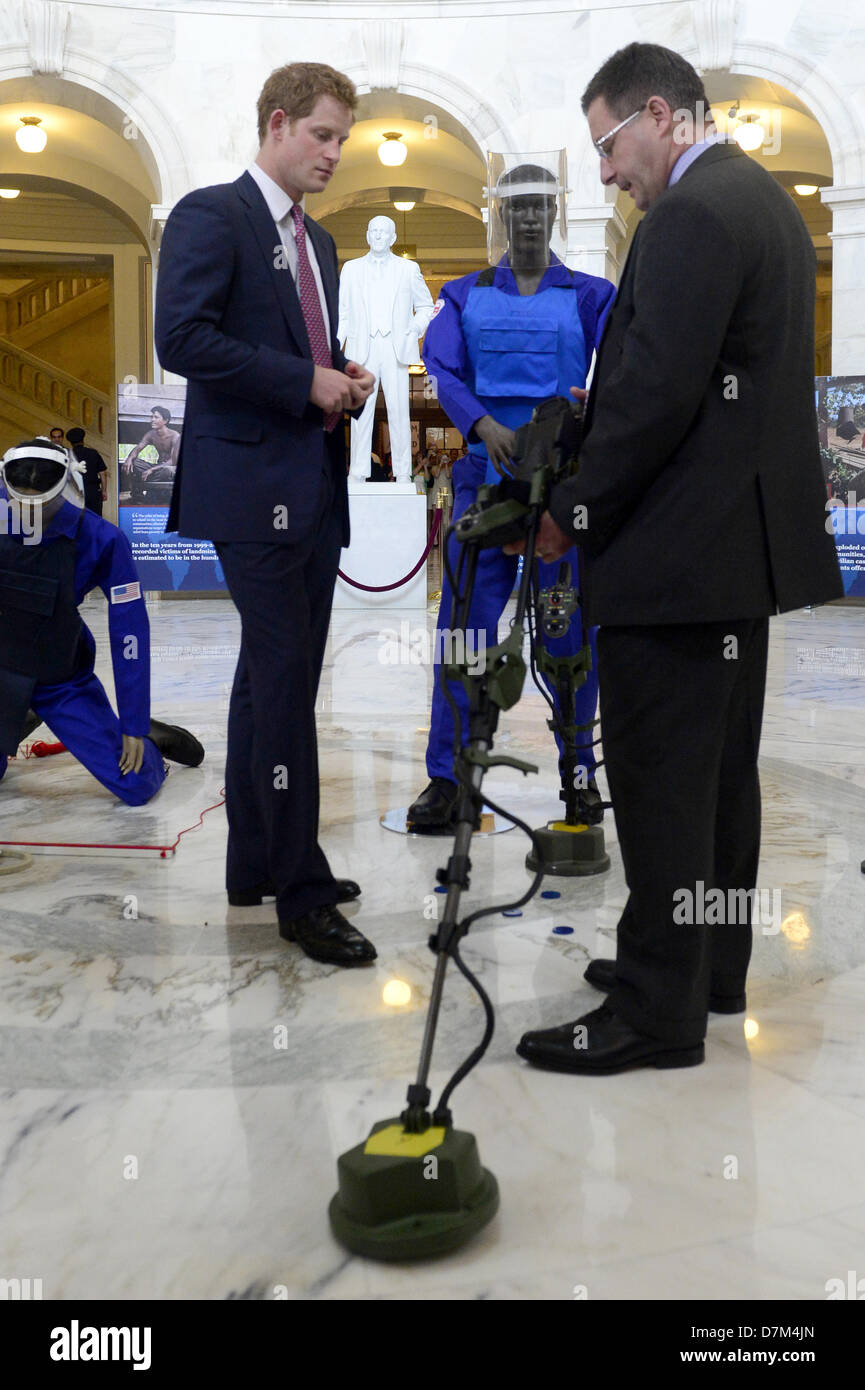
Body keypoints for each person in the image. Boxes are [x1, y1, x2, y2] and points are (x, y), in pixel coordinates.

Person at [512, 43, 843, 1077]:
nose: (605, 170)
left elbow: (657, 390)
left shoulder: (693, 214)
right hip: (731, 554)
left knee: (659, 780)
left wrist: (571, 503)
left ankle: (656, 1010)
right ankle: (706, 967)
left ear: (660, 114)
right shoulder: (761, 201)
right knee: (715, 779)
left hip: (677, 552)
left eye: (607, 144)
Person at [155, 61, 378, 967]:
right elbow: (183, 338)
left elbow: (300, 347)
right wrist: (303, 381)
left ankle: (253, 860)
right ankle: (302, 890)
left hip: (314, 483)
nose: (334, 153)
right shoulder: (215, 213)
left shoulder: (317, 244)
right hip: (251, 489)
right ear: (278, 124)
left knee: (266, 680)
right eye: (323, 134)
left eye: (343, 139)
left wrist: (344, 378)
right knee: (286, 685)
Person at [406, 161, 616, 831]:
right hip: (482, 486)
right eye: (516, 206)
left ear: (553, 213)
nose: (528, 217)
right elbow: (439, 366)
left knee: (567, 636)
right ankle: (448, 779)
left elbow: (615, 371)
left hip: (559, 490)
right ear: (499, 212)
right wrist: (479, 421)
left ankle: (577, 776)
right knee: (463, 635)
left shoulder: (591, 295)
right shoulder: (463, 295)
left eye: (538, 206)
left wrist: (580, 424)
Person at [0, 439, 203, 800]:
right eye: (17, 500)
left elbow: (130, 633)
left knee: (135, 784)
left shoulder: (102, 539)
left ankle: (153, 738)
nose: (27, 511)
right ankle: (23, 712)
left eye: (41, 503)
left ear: (63, 488)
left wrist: (134, 721)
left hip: (57, 676)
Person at [338, 215, 435, 482]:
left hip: (395, 347)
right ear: (367, 235)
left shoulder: (407, 269)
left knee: (399, 410)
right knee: (360, 410)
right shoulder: (351, 269)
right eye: (374, 231)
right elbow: (342, 313)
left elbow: (426, 307)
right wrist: (335, 350)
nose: (378, 236)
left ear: (393, 238)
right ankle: (357, 471)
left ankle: (403, 472)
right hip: (362, 347)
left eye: (384, 232)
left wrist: (414, 329)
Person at [121, 407, 181, 502]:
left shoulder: (175, 436)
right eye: (152, 417)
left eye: (156, 417)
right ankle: (140, 492)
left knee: (167, 470)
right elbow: (138, 448)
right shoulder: (151, 434)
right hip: (157, 468)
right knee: (134, 462)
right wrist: (129, 459)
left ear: (165, 420)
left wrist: (151, 470)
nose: (152, 419)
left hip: (170, 468)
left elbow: (173, 461)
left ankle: (143, 484)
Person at [66, 427, 107, 516]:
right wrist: (104, 491)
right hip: (93, 491)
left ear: (71, 442)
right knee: (95, 519)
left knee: (76, 518)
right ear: (83, 440)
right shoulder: (93, 453)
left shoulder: (67, 455)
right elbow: (102, 473)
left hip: (75, 491)